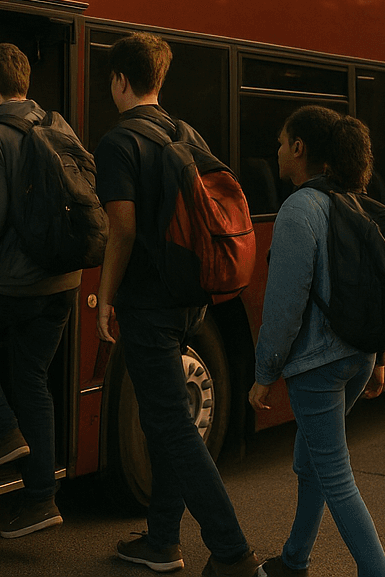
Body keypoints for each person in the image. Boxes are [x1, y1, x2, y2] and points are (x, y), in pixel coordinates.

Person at [94, 31, 263, 577]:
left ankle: (232, 551)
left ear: (120, 80)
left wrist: (106, 298)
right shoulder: (183, 131)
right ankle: (163, 540)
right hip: (193, 300)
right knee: (169, 419)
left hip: (147, 304)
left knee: (169, 423)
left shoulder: (119, 143)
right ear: (159, 80)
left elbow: (121, 228)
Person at [248, 106, 385, 577]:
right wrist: (381, 357)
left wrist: (264, 374)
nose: (275, 151)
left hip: (319, 363)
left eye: (280, 141)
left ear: (299, 148)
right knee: (310, 459)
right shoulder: (354, 201)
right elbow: (377, 284)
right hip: (360, 356)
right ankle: (294, 559)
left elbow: (284, 306)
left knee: (335, 475)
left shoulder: (299, 209)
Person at [0, 43, 80, 539]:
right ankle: (40, 499)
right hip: (63, 280)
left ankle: (2, 431)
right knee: (33, 377)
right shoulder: (57, 125)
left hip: (15, 280)